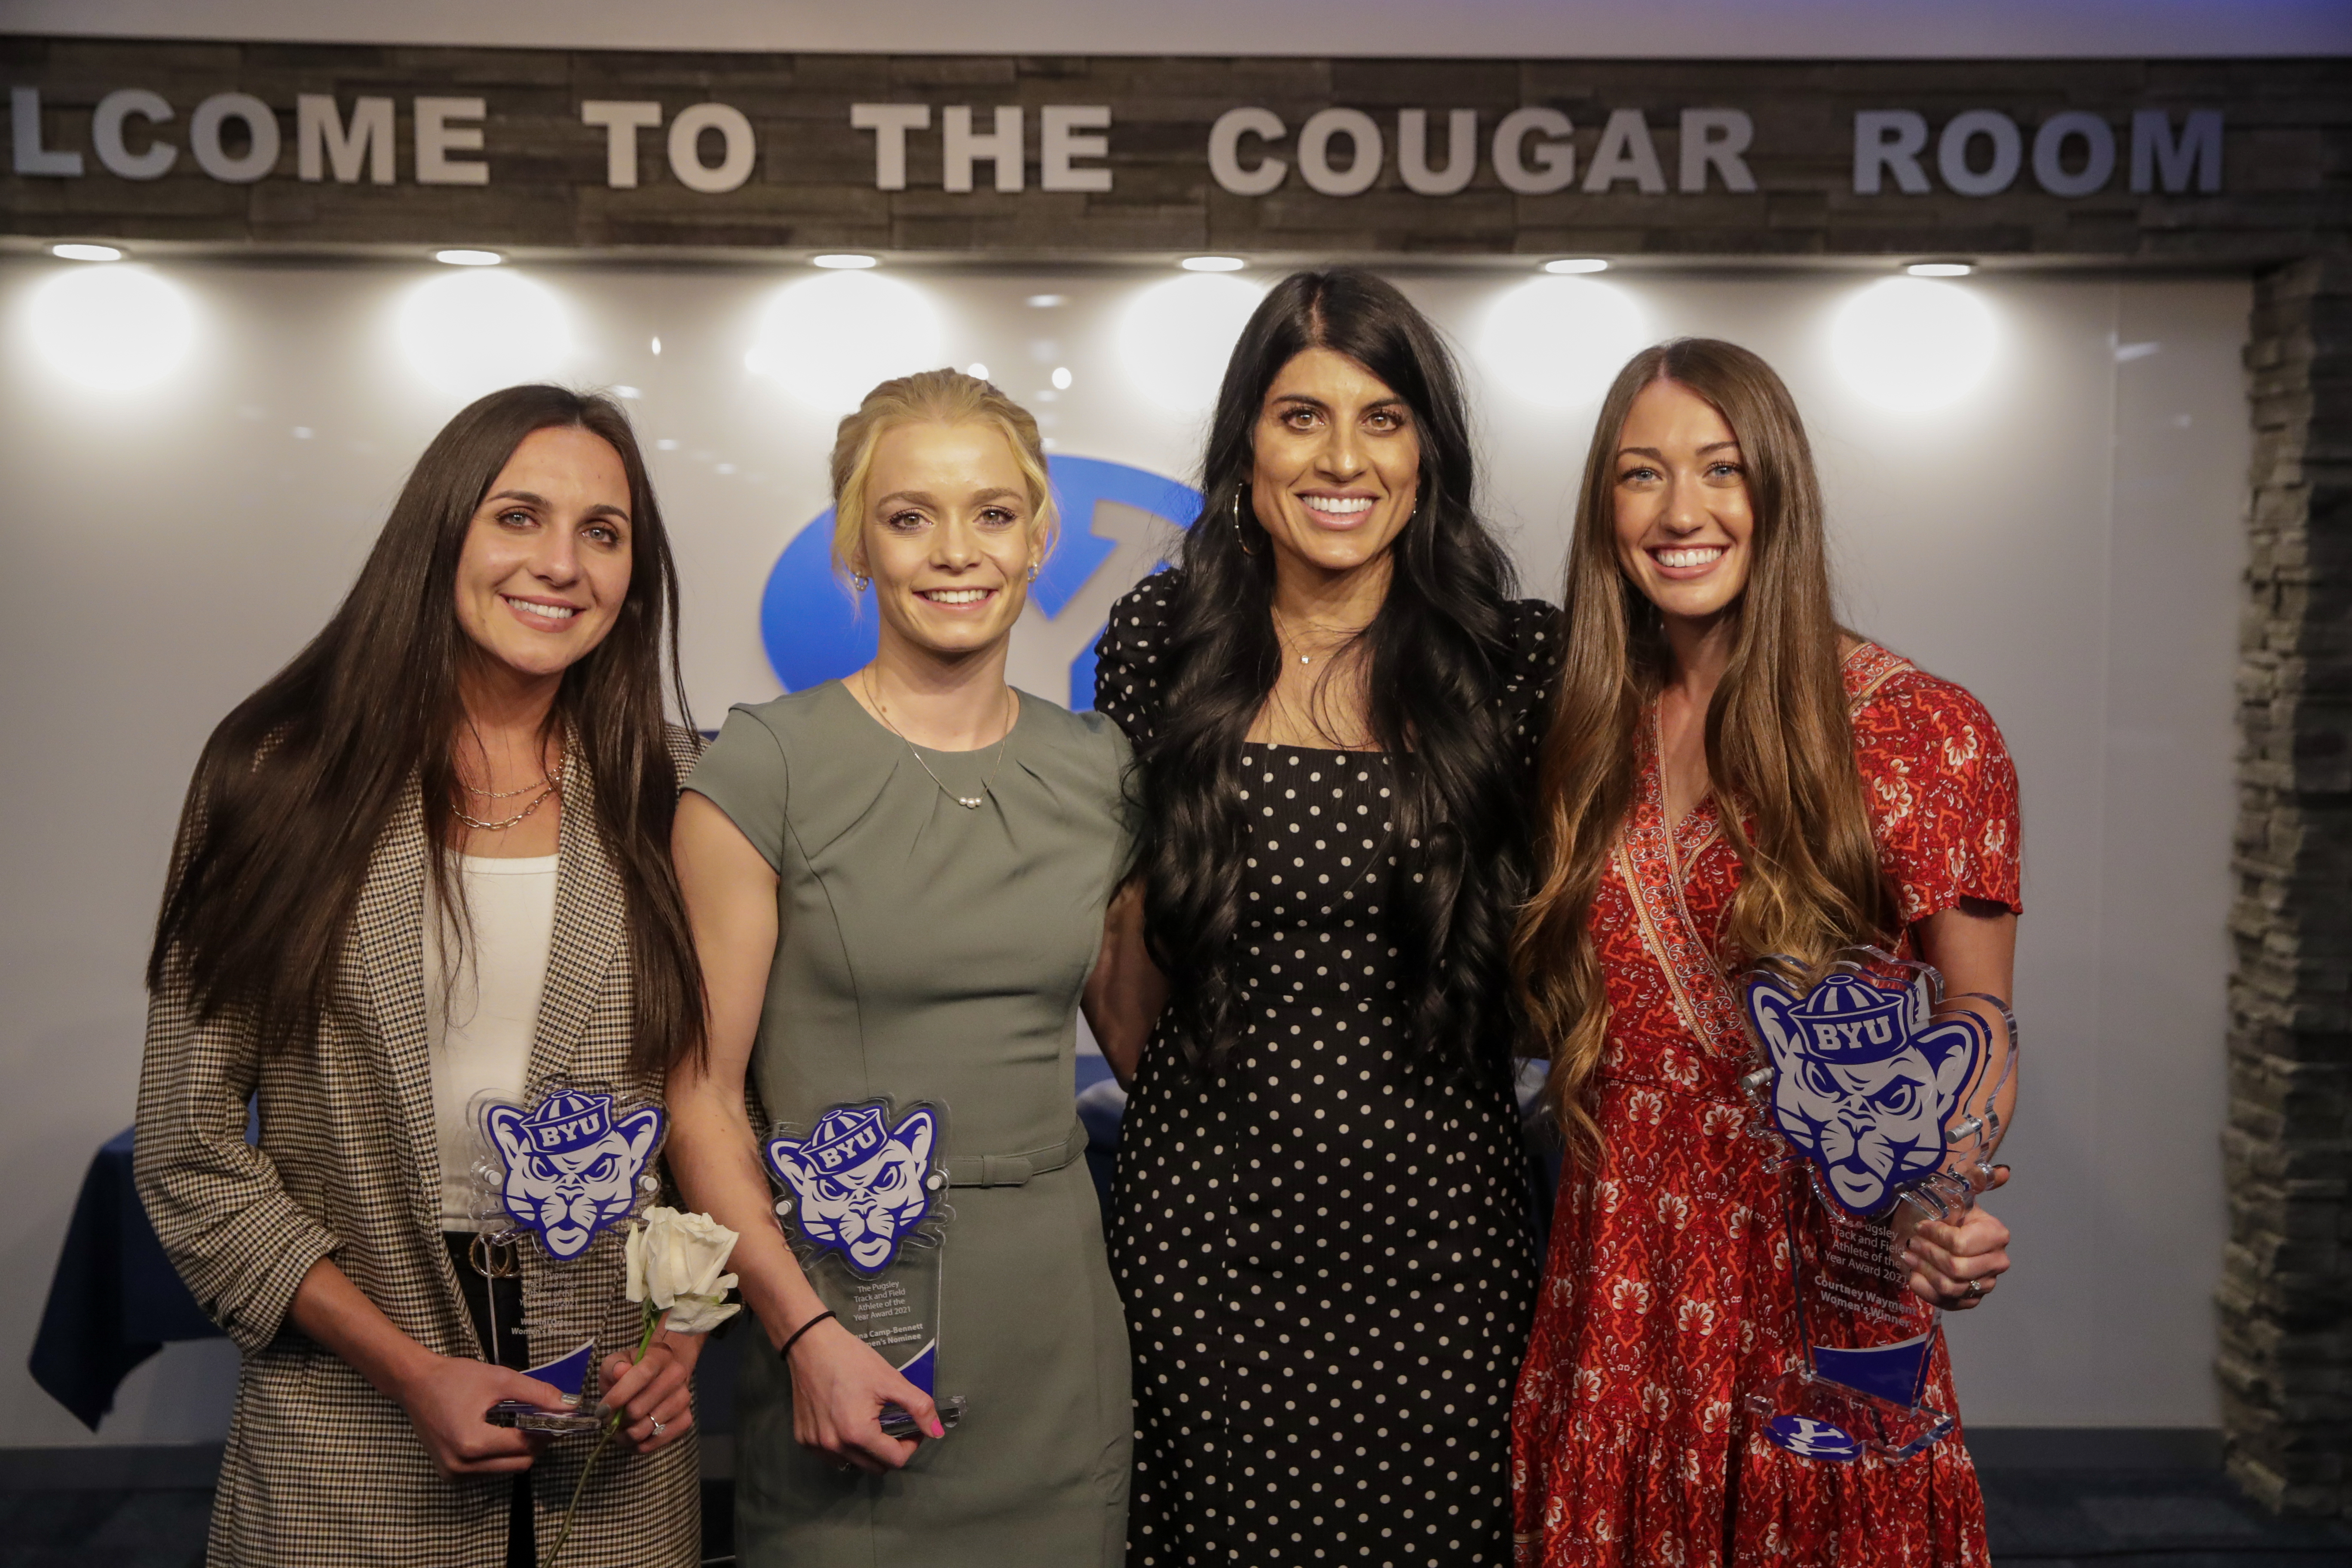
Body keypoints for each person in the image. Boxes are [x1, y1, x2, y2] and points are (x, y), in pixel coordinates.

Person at [135, 385, 710, 1567]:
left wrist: (684, 1334)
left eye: (603, 534)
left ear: (634, 577)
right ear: (441, 533)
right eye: (519, 517)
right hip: (345, 1409)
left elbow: (728, 1109)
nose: (560, 564)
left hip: (613, 1426)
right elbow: (187, 1144)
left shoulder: (682, 790)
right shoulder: (276, 772)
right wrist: (409, 1369)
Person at [1508, 338, 2021, 1567]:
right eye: (1641, 476)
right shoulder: (1576, 729)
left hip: (1827, 1283)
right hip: (1612, 1292)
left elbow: (1983, 1022)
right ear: (1606, 507)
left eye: (1720, 471)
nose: (1681, 513)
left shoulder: (1919, 732)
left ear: (1776, 490)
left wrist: (1945, 1193)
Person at [1092, 267, 1557, 1566]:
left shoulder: (1513, 662)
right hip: (1208, 1241)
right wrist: (1231, 1110)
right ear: (1248, 449)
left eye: (1384, 417)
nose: (1342, 456)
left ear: (1427, 457)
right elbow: (1119, 938)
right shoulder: (1164, 638)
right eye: (1301, 417)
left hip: (1447, 1246)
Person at [666, 369, 1145, 1567]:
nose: (955, 551)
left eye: (991, 513)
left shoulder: (1102, 771)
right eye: (909, 515)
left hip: (1057, 1328)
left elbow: (1154, 1052)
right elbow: (701, 1099)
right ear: (857, 548)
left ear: (1038, 541)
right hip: (845, 1315)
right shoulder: (764, 767)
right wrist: (803, 1333)